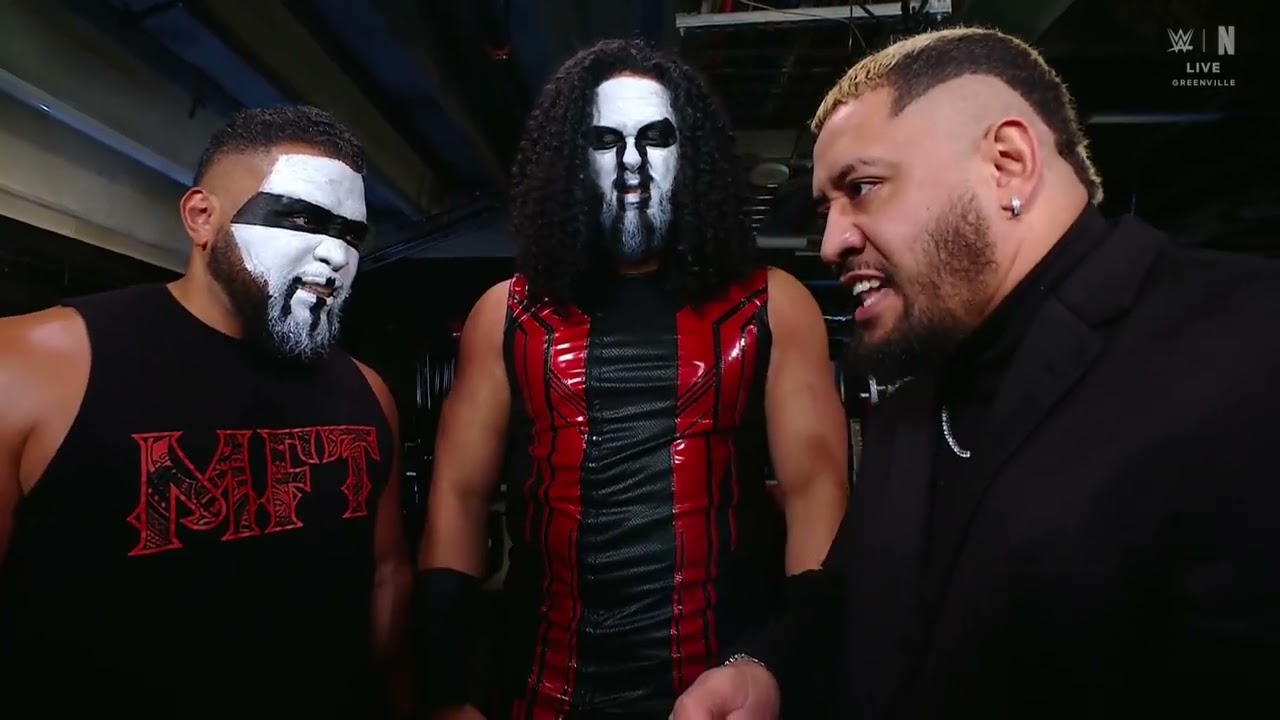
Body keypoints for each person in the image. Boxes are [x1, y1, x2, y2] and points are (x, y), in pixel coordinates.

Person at [673, 27, 1280, 719]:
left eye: (863, 188)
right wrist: (767, 672)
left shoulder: (1246, 343)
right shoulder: (921, 383)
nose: (834, 241)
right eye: (825, 210)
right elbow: (850, 595)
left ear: (1007, 164)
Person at [415, 39, 849, 719]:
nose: (631, 163)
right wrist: (444, 692)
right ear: (572, 159)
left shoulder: (773, 304)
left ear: (690, 154)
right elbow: (459, 495)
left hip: (718, 693)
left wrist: (779, 665)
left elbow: (816, 494)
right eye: (604, 140)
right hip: (538, 691)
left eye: (655, 137)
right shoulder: (506, 313)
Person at [0, 106, 412, 717]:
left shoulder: (367, 391)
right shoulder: (34, 364)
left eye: (352, 235)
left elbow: (386, 573)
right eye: (302, 219)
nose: (335, 254)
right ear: (201, 217)